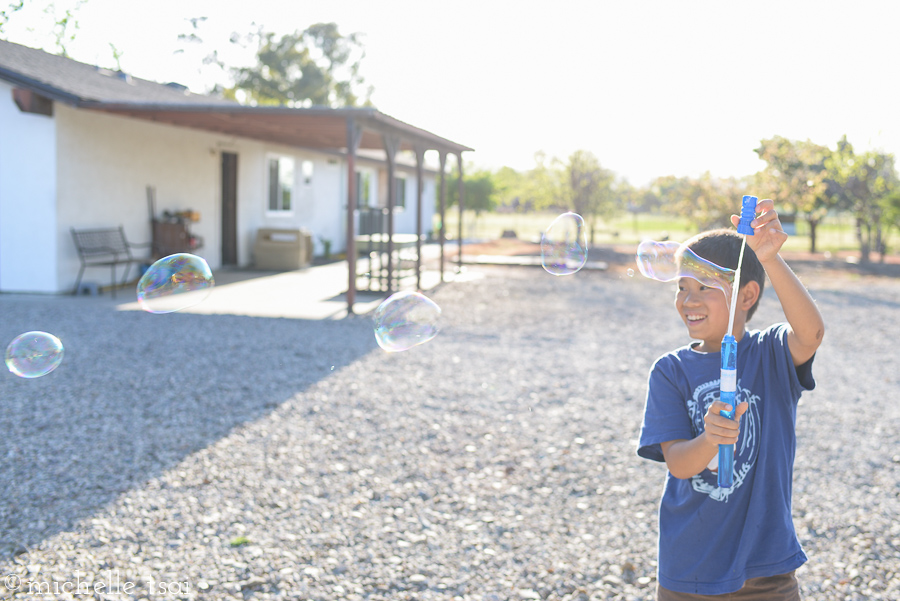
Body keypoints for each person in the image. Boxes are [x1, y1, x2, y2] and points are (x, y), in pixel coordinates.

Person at [637, 198, 825, 599]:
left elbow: (811, 334)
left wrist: (770, 259)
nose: (688, 300)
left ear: (746, 295)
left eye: (704, 287)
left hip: (765, 569)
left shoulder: (771, 354)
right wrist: (708, 440)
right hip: (690, 568)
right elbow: (680, 464)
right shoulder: (670, 371)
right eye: (682, 287)